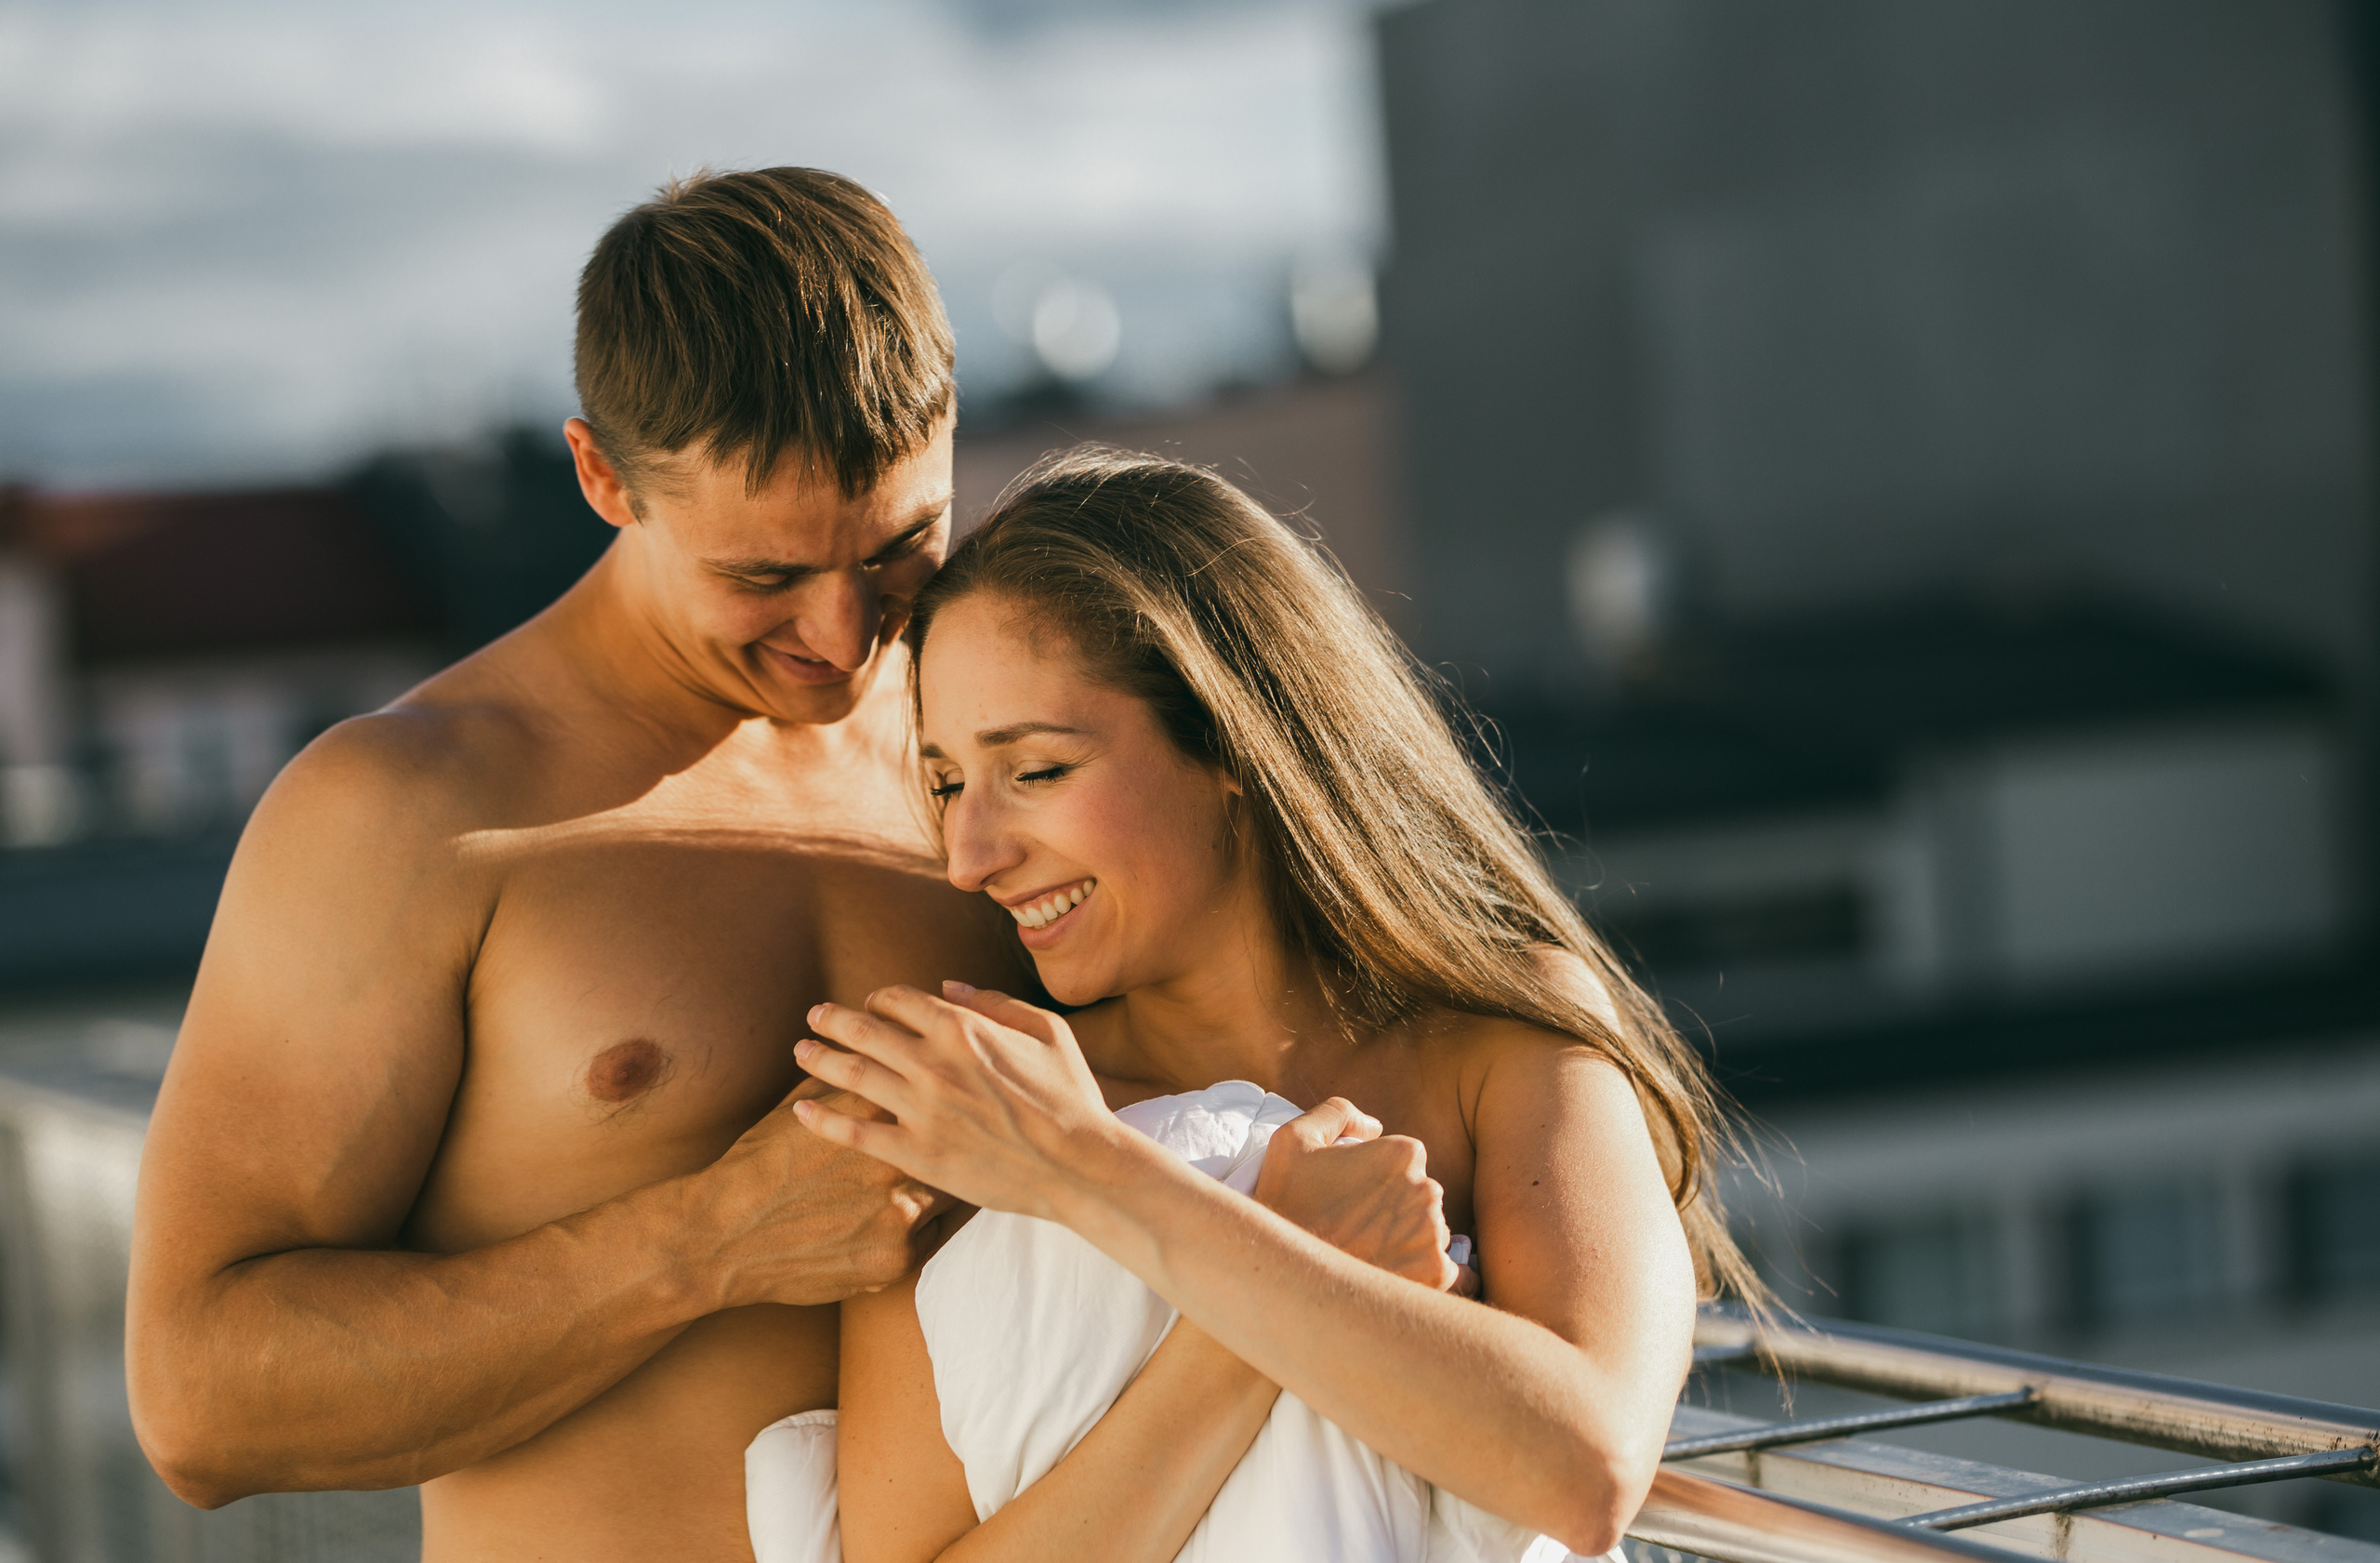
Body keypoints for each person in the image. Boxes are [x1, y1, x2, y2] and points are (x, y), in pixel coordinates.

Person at [123, 167, 1020, 1562]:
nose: (848, 639)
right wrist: (711, 1237)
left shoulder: (998, 744)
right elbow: (197, 1401)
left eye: (903, 544)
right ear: (602, 476)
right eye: (766, 576)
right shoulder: (410, 808)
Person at [773, 449, 1764, 1562]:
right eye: (948, 781)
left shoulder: (1500, 1034)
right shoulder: (966, 1116)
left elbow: (1584, 1470)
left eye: (1037, 771)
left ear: (1232, 741)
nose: (969, 855)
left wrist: (1086, 1170)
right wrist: (1256, 1290)